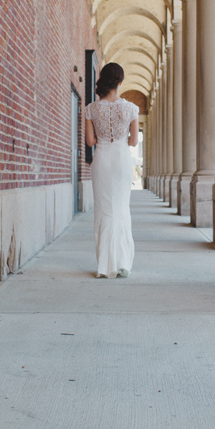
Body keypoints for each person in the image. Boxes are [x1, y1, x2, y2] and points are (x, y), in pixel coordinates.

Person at [84, 62, 139, 278]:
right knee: (122, 208)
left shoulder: (91, 108)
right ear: (121, 82)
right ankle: (123, 262)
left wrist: (103, 137)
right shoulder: (131, 108)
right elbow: (134, 141)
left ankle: (105, 266)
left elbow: (90, 141)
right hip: (122, 160)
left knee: (104, 210)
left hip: (102, 159)